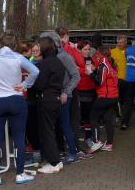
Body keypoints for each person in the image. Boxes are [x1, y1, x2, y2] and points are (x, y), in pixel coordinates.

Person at [0, 33, 39, 185]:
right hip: (15, 100)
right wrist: (25, 85)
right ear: (15, 44)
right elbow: (35, 71)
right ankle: (20, 174)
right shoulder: (18, 57)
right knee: (19, 137)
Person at [40, 30, 83, 163]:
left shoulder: (64, 57)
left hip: (64, 96)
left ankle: (73, 153)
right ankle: (58, 152)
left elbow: (76, 76)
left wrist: (66, 92)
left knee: (65, 124)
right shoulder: (46, 58)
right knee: (55, 126)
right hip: (51, 96)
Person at [33, 37, 67, 174]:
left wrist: (29, 80)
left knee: (47, 132)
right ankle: (56, 160)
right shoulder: (58, 62)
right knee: (52, 131)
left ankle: (54, 162)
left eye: (39, 46)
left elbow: (39, 85)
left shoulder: (43, 64)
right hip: (55, 99)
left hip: (46, 100)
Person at [89, 44, 120, 152]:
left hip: (105, 97)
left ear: (101, 54)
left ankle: (96, 142)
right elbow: (106, 77)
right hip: (114, 96)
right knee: (108, 119)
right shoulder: (112, 63)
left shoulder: (104, 65)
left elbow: (100, 82)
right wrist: (96, 70)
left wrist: (91, 73)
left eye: (97, 54)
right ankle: (109, 144)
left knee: (93, 118)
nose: (96, 56)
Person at [75, 40, 97, 149]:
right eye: (85, 49)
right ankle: (75, 141)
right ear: (79, 50)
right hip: (79, 91)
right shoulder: (75, 60)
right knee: (78, 117)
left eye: (89, 49)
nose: (88, 51)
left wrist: (94, 69)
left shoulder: (91, 59)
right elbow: (78, 71)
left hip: (90, 91)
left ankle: (88, 138)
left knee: (88, 116)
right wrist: (85, 70)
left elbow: (94, 70)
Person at [112, 35, 128, 121]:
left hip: (127, 79)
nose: (119, 44)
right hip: (116, 79)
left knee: (126, 99)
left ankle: (125, 116)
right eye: (118, 42)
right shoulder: (112, 52)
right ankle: (118, 116)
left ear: (126, 42)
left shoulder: (129, 51)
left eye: (121, 42)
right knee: (117, 99)